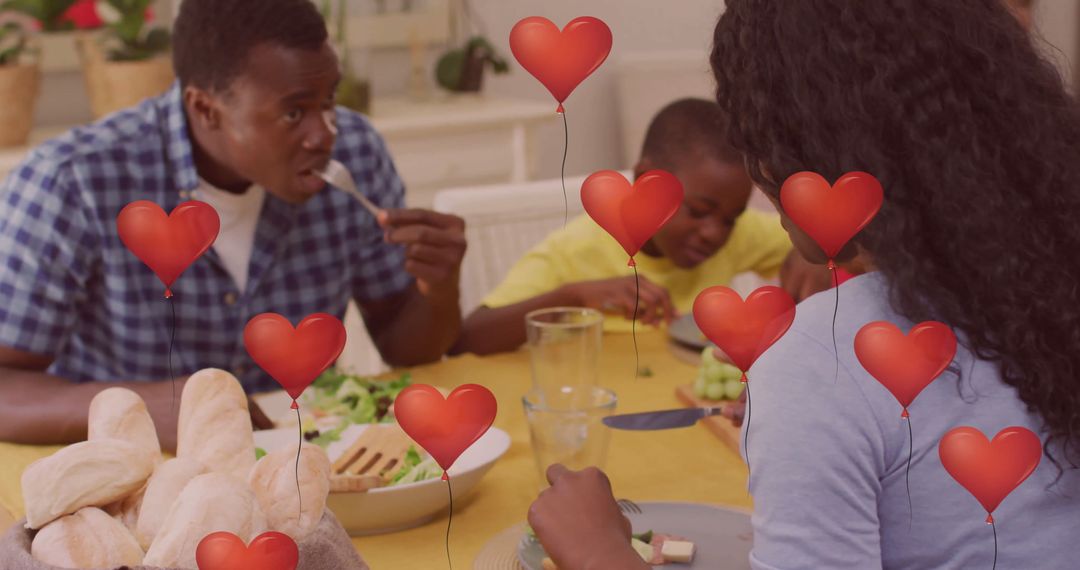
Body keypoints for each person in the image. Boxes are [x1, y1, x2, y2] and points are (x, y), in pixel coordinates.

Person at [528, 1, 1080, 568]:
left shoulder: (824, 359)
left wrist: (595, 549)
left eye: (752, 130)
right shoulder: (1051, 284)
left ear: (795, 145)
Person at [0, 0, 466, 452]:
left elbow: (403, 346)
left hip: (305, 470)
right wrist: (134, 405)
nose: (324, 133)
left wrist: (439, 288)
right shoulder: (72, 182)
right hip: (136, 480)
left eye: (328, 101)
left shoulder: (357, 154)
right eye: (294, 112)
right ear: (205, 109)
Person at [453, 98, 830, 355]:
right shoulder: (575, 251)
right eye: (698, 211)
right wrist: (575, 298)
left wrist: (812, 250)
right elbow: (468, 338)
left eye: (729, 219)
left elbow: (835, 244)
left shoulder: (739, 235)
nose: (715, 232)